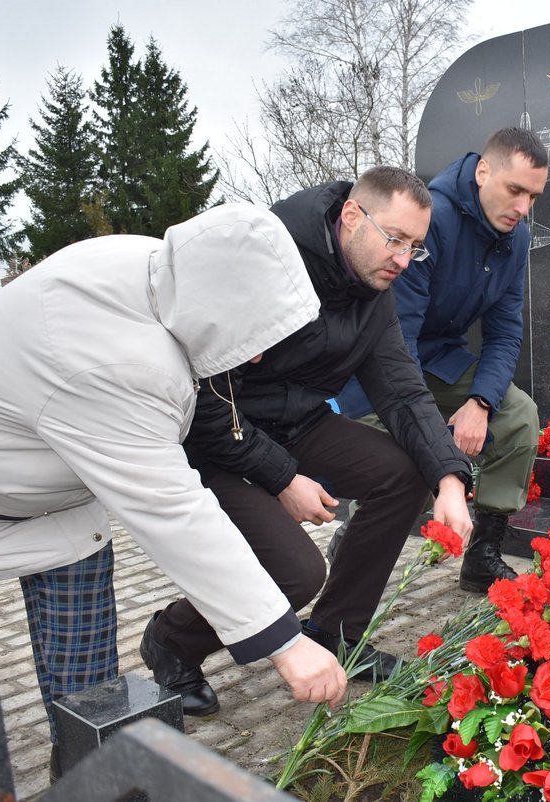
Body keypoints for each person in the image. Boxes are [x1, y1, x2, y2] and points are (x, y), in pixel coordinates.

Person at [0, 204, 346, 801]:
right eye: (255, 336)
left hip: (51, 487)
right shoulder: (119, 359)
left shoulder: (161, 275)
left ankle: (88, 784)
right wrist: (285, 644)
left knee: (91, 692)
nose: (258, 357)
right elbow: (174, 513)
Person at [139, 166, 474, 716]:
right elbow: (206, 399)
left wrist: (449, 476)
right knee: (295, 573)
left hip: (296, 422)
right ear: (350, 216)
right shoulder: (265, 258)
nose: (403, 259)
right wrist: (283, 479)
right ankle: (173, 640)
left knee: (403, 474)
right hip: (216, 433)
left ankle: (337, 634)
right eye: (395, 239)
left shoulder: (375, 290)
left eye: (416, 247)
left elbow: (403, 393)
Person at [336, 127, 549, 593]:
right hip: (380, 363)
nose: (522, 207)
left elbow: (505, 330)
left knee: (519, 417)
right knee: (399, 454)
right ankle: (352, 536)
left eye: (533, 196)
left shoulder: (516, 240)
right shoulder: (432, 220)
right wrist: (432, 436)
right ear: (483, 170)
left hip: (442, 362)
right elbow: (399, 337)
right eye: (515, 190)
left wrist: (481, 401)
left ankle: (482, 555)